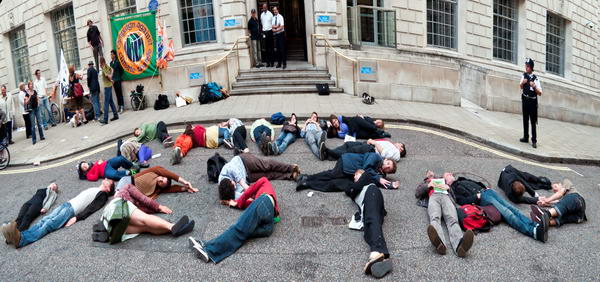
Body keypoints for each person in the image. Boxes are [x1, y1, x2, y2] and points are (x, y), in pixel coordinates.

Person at [1, 179, 114, 249]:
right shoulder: (95, 188)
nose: (107, 179)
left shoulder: (103, 195)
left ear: (109, 188)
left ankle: (21, 240)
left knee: (48, 224)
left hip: (71, 210)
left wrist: (77, 218)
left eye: (109, 181)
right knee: (43, 221)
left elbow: (92, 208)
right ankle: (19, 235)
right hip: (67, 205)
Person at [189, 177, 278, 264]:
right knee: (242, 233)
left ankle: (208, 250)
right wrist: (236, 203)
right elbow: (251, 204)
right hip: (268, 225)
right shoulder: (260, 198)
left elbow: (250, 191)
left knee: (238, 229)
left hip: (264, 201)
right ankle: (207, 246)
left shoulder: (263, 183)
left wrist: (238, 202)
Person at [449, 173, 549, 242]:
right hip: (482, 198)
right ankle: (533, 232)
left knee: (512, 209)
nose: (450, 175)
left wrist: (485, 187)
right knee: (507, 213)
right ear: (447, 182)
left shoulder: (461, 179)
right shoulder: (453, 189)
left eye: (450, 174)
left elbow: (476, 183)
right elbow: (462, 201)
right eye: (447, 175)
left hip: (488, 192)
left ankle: (534, 225)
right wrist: (476, 197)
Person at [95, 183, 194, 243]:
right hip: (118, 206)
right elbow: (143, 199)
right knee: (145, 220)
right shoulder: (127, 187)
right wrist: (158, 207)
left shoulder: (133, 202)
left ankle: (176, 229)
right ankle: (172, 227)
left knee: (146, 228)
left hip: (111, 221)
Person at [414, 171, 474, 257]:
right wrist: (428, 185)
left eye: (431, 172)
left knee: (453, 220)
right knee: (434, 218)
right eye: (428, 173)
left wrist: (448, 188)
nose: (430, 173)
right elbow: (417, 193)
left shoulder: (443, 181)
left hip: (446, 197)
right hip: (433, 197)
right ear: (426, 176)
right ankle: (440, 242)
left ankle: (460, 246)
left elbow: (454, 198)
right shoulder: (425, 182)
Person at [345, 170, 393, 278]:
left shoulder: (366, 176)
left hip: (371, 193)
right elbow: (348, 190)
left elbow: (354, 189)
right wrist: (353, 186)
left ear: (361, 173)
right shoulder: (356, 184)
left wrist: (354, 186)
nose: (355, 177)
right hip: (366, 204)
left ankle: (377, 251)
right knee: (368, 231)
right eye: (354, 177)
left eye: (356, 175)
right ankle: (382, 260)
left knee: (372, 220)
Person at [296, 152, 398, 193]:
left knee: (333, 183)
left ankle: (307, 181)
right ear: (385, 159)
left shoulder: (379, 173)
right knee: (331, 175)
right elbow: (367, 168)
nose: (387, 166)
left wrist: (391, 185)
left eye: (389, 168)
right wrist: (378, 178)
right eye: (388, 163)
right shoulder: (376, 157)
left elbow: (378, 181)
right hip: (347, 163)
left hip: (350, 173)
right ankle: (306, 178)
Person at [219, 153, 300, 199]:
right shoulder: (227, 192)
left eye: (234, 184)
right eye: (234, 188)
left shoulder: (225, 171)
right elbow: (241, 197)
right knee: (268, 175)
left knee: (266, 166)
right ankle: (290, 176)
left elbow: (234, 171)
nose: (236, 186)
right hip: (248, 177)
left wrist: (244, 185)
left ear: (229, 180)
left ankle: (290, 167)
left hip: (244, 161)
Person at [125, 166, 197, 199]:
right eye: (162, 178)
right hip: (127, 182)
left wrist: (186, 188)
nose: (161, 180)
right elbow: (169, 174)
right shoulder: (154, 172)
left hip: (130, 194)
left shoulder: (157, 190)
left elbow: (172, 189)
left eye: (162, 183)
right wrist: (185, 182)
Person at [519, 58, 543, 148]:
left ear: (531, 67)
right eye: (526, 66)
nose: (526, 68)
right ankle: (525, 137)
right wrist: (523, 82)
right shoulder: (524, 76)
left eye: (528, 66)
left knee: (533, 121)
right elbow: (520, 87)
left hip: (532, 102)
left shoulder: (536, 79)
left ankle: (534, 140)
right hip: (525, 100)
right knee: (525, 119)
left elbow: (540, 93)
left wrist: (534, 86)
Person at [324, 139, 406, 162]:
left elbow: (384, 154)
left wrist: (374, 143)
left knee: (350, 151)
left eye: (400, 143)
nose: (398, 142)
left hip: (371, 150)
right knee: (348, 144)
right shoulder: (391, 145)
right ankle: (329, 156)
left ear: (401, 148)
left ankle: (327, 151)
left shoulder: (397, 153)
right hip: (368, 144)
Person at [99, 57, 118, 125]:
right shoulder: (106, 66)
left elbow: (108, 76)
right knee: (111, 101)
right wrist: (111, 80)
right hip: (109, 85)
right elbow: (112, 69)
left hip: (107, 87)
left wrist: (111, 77)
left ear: (101, 62)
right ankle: (116, 115)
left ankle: (105, 119)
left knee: (106, 103)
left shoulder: (104, 67)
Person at [25, 81, 44, 145]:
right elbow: (26, 102)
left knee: (39, 122)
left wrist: (38, 103)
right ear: (28, 86)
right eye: (30, 84)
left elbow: (37, 98)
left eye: (32, 84)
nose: (31, 85)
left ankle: (42, 136)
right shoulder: (27, 94)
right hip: (31, 110)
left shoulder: (35, 91)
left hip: (37, 108)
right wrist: (30, 96)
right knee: (33, 125)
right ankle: (34, 139)